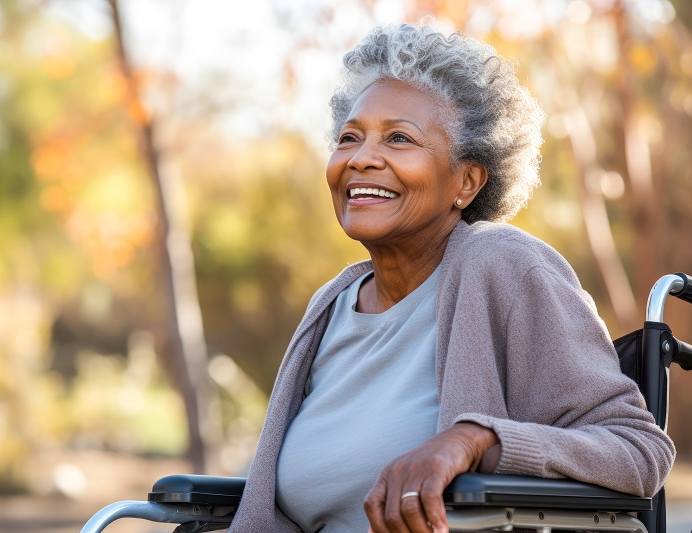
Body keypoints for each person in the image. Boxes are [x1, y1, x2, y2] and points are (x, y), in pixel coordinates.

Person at [227, 23, 675, 533]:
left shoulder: (503, 264)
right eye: (349, 138)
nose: (361, 158)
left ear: (466, 180)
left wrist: (475, 439)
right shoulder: (330, 307)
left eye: (399, 138)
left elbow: (637, 450)